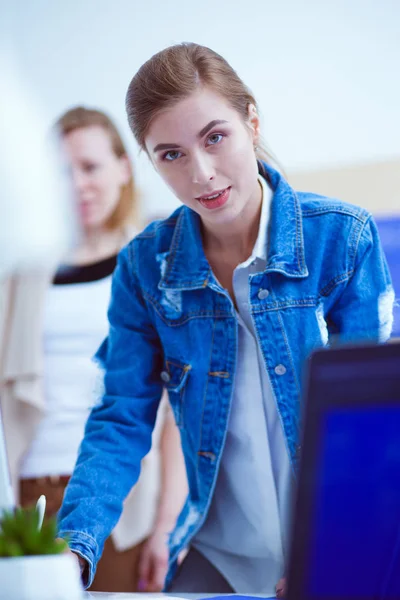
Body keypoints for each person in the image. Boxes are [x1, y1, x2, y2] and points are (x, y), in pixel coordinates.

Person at [57, 44, 394, 597]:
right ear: (147, 160)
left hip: (337, 543)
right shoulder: (145, 268)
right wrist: (72, 552)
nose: (202, 174)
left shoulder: (343, 238)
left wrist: (332, 553)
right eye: (171, 155)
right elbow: (119, 419)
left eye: (215, 137)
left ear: (251, 122)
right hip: (220, 558)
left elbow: (373, 428)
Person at [0, 106, 187, 593]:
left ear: (124, 167)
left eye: (90, 167)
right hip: (28, 491)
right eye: (62, 171)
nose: (76, 185)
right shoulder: (20, 269)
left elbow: (175, 413)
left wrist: (167, 525)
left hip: (125, 501)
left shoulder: (152, 261)